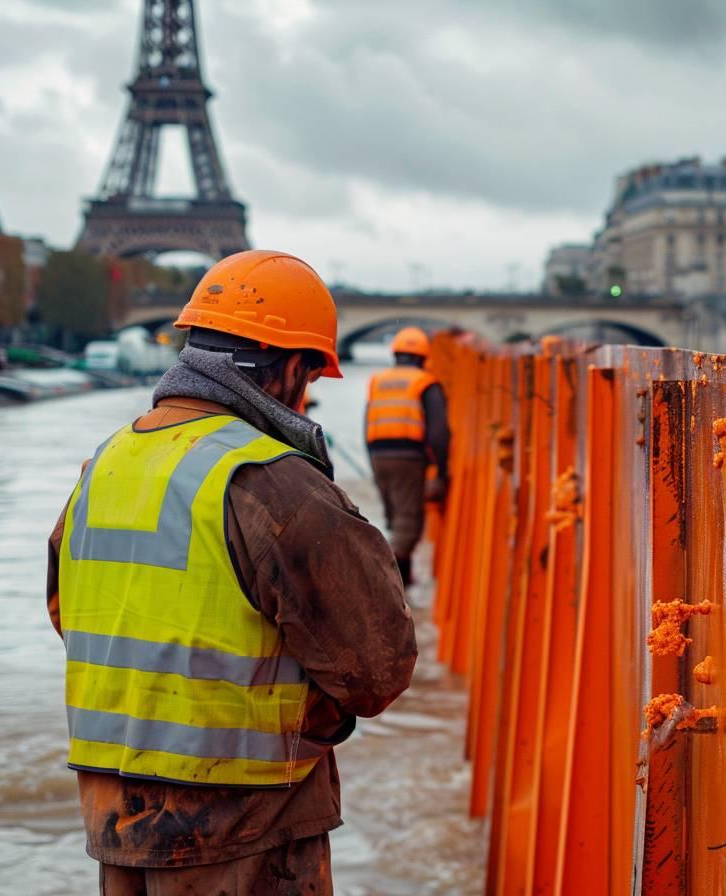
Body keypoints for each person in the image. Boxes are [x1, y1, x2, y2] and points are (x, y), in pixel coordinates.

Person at [46, 249, 416, 894]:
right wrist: (305, 712)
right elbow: (375, 667)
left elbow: (67, 610)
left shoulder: (104, 463)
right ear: (291, 368)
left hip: (117, 815)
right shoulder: (273, 483)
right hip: (246, 823)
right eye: (311, 378)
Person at [364, 327, 450, 586]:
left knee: (395, 516)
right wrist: (443, 471)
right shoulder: (425, 382)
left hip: (378, 453)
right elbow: (439, 432)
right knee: (409, 521)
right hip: (409, 456)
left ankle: (405, 582)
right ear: (423, 357)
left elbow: (366, 422)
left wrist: (371, 460)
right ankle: (384, 579)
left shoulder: (378, 380)